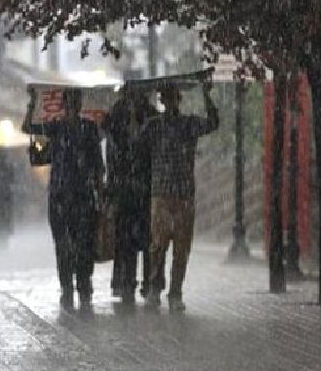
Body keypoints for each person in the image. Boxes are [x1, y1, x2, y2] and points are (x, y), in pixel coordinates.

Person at [139, 77, 219, 312]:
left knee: (181, 248)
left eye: (172, 97)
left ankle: (175, 292)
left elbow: (213, 122)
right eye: (165, 97)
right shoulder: (153, 126)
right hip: (161, 193)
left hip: (183, 194)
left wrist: (207, 95)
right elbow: (136, 144)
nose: (169, 102)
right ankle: (155, 288)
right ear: (162, 100)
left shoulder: (189, 124)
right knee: (158, 246)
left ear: (178, 99)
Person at [22, 88, 104, 311]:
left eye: (74, 102)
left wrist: (99, 190)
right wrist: (32, 103)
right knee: (65, 245)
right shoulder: (57, 128)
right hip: (62, 196)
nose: (72, 106)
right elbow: (28, 128)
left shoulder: (87, 129)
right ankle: (70, 286)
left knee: (82, 244)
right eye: (70, 102)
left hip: (80, 195)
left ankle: (82, 286)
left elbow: (97, 164)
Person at [104, 87, 162, 305]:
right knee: (126, 240)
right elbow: (112, 145)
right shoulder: (117, 115)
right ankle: (127, 283)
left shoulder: (150, 116)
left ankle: (149, 283)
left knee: (147, 240)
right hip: (125, 189)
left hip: (144, 188)